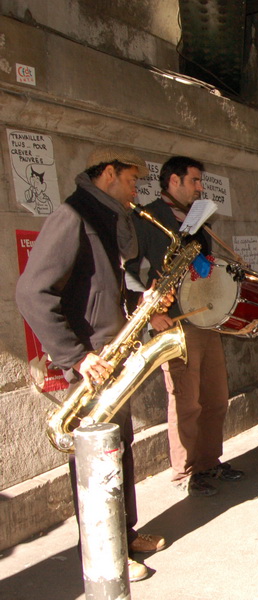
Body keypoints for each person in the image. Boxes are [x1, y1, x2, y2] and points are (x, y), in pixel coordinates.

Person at [16, 147, 166, 582]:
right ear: (106, 173)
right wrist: (75, 356)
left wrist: (146, 303)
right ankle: (104, 550)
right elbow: (31, 293)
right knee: (97, 456)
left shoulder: (110, 219)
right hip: (92, 361)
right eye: (131, 178)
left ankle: (126, 530)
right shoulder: (72, 215)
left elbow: (106, 283)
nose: (137, 188)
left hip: (113, 350)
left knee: (121, 446)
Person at [125, 156, 243, 498]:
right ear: (173, 181)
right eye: (194, 181)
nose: (199, 187)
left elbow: (199, 265)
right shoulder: (146, 217)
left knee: (216, 397)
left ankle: (209, 461)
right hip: (173, 321)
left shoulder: (197, 220)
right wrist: (148, 314)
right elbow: (130, 272)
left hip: (205, 318)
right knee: (186, 402)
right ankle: (186, 472)